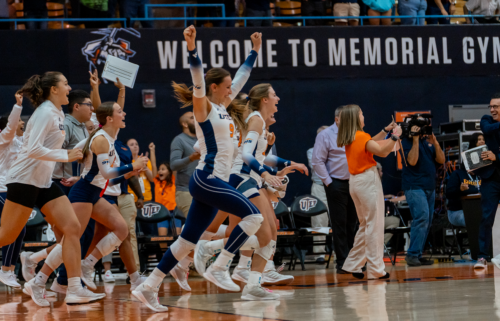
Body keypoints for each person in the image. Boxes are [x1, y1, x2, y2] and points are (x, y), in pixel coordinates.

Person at [131, 26, 264, 312]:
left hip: (211, 182)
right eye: (226, 86)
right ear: (213, 87)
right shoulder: (203, 106)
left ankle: (148, 286)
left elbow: (241, 78)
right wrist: (191, 48)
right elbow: (197, 77)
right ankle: (220, 265)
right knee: (254, 217)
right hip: (207, 178)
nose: (232, 90)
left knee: (186, 241)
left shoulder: (224, 106)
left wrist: (254, 52)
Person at [194, 83, 308, 301]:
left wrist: (289, 163)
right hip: (241, 179)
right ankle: (209, 249)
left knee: (268, 235)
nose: (278, 98)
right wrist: (266, 175)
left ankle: (252, 285)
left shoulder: (259, 122)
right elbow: (247, 155)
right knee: (263, 232)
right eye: (275, 95)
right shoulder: (255, 119)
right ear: (264, 99)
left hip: (251, 180)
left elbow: (261, 156)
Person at [0, 72, 101, 306]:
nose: (69, 87)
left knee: (73, 228)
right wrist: (65, 155)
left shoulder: (57, 113)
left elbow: (52, 148)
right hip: (24, 180)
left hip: (43, 182)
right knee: (7, 235)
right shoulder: (45, 112)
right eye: (65, 83)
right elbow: (33, 149)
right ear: (53, 89)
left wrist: (84, 143)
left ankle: (74, 287)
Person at [337, 104, 399, 280]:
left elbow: (370, 142)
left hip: (355, 182)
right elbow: (381, 151)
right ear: (356, 118)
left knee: (366, 225)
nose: (364, 116)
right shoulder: (361, 136)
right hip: (367, 181)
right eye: (362, 114)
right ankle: (376, 269)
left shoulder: (352, 136)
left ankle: (353, 264)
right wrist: (394, 136)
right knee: (375, 226)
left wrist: (384, 131)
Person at [312, 106, 357, 274]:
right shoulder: (325, 135)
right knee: (339, 223)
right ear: (337, 119)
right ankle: (343, 262)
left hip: (354, 182)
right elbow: (317, 161)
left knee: (353, 222)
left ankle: (355, 259)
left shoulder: (354, 132)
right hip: (336, 183)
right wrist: (329, 182)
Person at [401, 120, 445, 267]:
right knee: (421, 218)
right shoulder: (406, 142)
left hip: (429, 187)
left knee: (427, 221)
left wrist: (435, 142)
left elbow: (441, 160)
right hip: (414, 187)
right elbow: (412, 161)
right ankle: (412, 254)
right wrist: (414, 139)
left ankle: (418, 254)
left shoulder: (428, 143)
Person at [0, 94, 25, 288]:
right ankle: (6, 269)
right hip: (1, 191)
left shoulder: (22, 142)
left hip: (14, 191)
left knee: (19, 229)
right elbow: (10, 127)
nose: (22, 123)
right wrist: (18, 105)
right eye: (19, 121)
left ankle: (9, 270)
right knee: (13, 229)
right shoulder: (3, 139)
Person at [474, 95, 500, 269]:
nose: (492, 110)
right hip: (490, 179)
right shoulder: (486, 120)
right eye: (491, 106)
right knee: (486, 217)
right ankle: (482, 257)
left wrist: (496, 157)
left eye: (496, 107)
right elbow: (488, 129)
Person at [170, 111, 199, 218]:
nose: (196, 120)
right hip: (186, 192)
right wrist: (190, 158)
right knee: (195, 225)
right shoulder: (179, 140)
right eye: (192, 118)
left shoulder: (201, 139)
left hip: (202, 190)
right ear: (185, 124)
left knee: (206, 228)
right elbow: (173, 165)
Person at [308, 125, 330, 263]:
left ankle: (342, 252)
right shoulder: (311, 151)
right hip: (319, 187)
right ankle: (319, 254)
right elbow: (317, 166)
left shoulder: (339, 150)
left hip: (336, 187)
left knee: (340, 220)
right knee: (319, 221)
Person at [375, 162, 401, 245]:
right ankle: (379, 245)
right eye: (381, 171)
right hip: (373, 219)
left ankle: (378, 246)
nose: (382, 173)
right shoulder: (374, 184)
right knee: (395, 221)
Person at [154, 161, 182, 238]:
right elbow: (153, 164)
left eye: (163, 169)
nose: (160, 171)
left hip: (174, 212)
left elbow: (175, 165)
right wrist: (152, 150)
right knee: (162, 237)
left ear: (169, 172)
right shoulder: (157, 181)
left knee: (177, 237)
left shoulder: (173, 180)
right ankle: (164, 250)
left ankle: (176, 250)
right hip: (161, 213)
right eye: (159, 169)